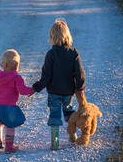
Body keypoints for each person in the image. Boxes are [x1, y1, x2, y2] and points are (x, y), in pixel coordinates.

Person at [32, 19, 86, 150]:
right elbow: (79, 72)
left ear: (52, 36)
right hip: (68, 91)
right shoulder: (74, 52)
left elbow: (46, 76)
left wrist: (36, 87)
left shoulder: (50, 54)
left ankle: (55, 142)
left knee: (54, 115)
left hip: (54, 92)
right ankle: (72, 134)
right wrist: (80, 87)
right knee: (69, 113)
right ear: (67, 36)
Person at [0, 49, 34, 153]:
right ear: (16, 65)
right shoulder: (16, 77)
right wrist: (33, 89)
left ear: (2, 64)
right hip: (9, 107)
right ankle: (9, 147)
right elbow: (22, 90)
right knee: (10, 125)